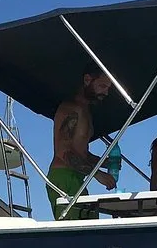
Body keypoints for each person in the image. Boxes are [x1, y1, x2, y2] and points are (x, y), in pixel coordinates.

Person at [48, 65, 118, 220]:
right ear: (87, 80)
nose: (106, 92)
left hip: (77, 178)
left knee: (91, 224)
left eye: (108, 88)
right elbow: (64, 152)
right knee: (75, 228)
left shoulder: (85, 111)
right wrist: (97, 174)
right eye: (102, 86)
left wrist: (104, 162)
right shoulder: (71, 109)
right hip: (64, 176)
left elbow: (81, 152)